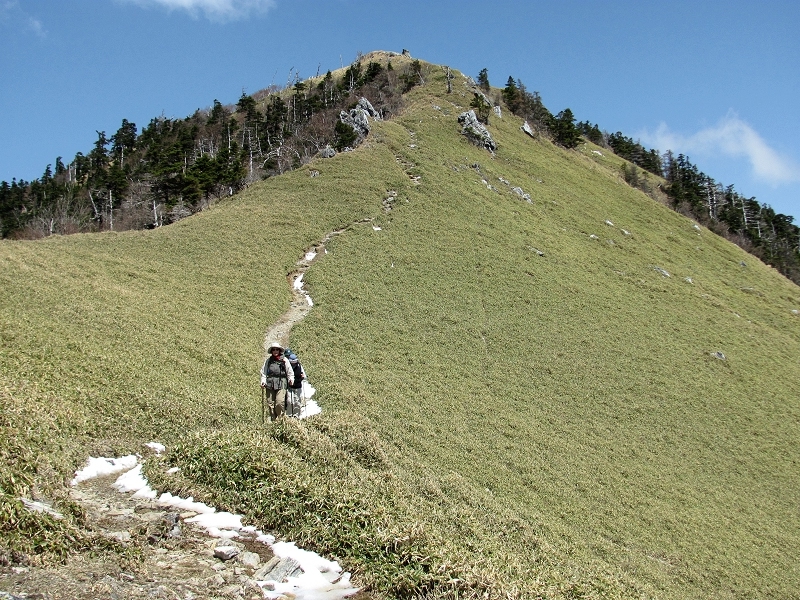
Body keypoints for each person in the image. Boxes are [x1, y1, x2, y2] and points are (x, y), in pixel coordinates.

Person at [260, 343, 294, 421]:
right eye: (274, 349)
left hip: (281, 383)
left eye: (277, 349)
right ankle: (273, 420)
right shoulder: (268, 361)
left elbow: (290, 372)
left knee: (279, 402)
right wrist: (263, 381)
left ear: (279, 351)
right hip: (270, 384)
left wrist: (291, 379)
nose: (275, 351)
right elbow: (264, 372)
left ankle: (281, 419)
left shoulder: (284, 360)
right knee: (270, 403)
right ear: (272, 351)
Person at [285, 352, 307, 418]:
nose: (293, 363)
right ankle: (289, 415)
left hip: (298, 386)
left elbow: (304, 376)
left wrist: (303, 376)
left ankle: (296, 415)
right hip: (289, 387)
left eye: (294, 361)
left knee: (297, 401)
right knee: (290, 401)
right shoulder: (287, 366)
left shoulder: (299, 366)